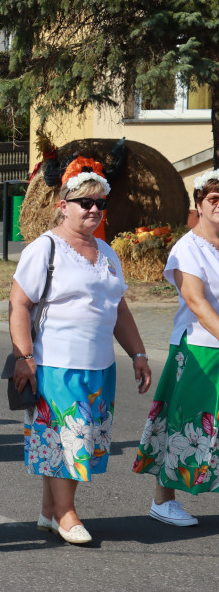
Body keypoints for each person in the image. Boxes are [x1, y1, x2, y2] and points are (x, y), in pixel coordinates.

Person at [10, 169, 152, 545]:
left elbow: (118, 308)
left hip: (99, 365)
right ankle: (66, 513)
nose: (93, 209)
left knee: (78, 439)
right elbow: (19, 305)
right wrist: (25, 356)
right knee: (65, 439)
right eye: (84, 203)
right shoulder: (45, 248)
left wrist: (137, 353)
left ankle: (47, 510)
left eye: (100, 204)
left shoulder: (105, 252)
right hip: (56, 363)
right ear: (62, 207)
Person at [133, 170, 219, 525]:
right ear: (198, 204)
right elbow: (197, 303)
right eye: (214, 200)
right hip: (199, 348)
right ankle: (162, 500)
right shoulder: (186, 249)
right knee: (184, 424)